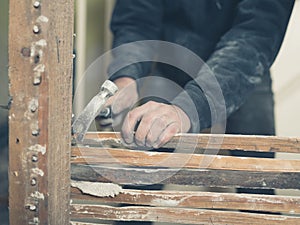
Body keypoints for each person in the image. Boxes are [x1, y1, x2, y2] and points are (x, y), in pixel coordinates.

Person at [98, 0, 294, 151]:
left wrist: (189, 107)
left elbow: (255, 36)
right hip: (171, 63)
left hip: (239, 72)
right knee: (145, 170)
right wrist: (125, 77)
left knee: (257, 177)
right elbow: (137, 18)